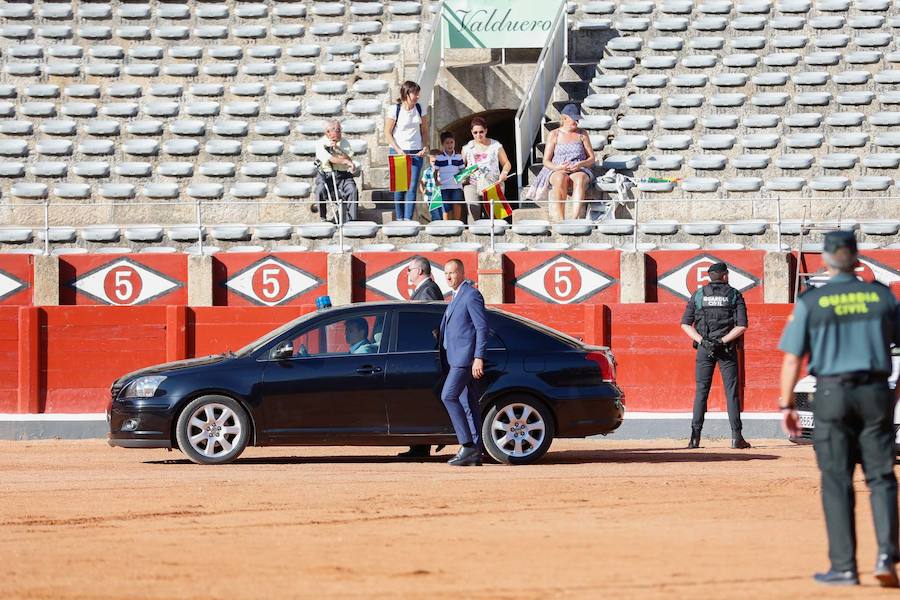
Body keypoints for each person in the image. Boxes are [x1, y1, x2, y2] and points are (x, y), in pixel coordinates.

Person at [780, 231, 900, 588]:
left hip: (832, 392)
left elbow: (792, 359)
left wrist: (786, 403)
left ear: (827, 258)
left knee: (836, 479)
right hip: (876, 391)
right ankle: (886, 557)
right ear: (857, 258)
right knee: (880, 477)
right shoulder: (882, 297)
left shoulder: (812, 301)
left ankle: (845, 566)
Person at [680, 262, 751, 450]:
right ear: (725, 276)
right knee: (731, 392)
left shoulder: (699, 295)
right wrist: (722, 341)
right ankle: (737, 438)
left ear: (709, 277)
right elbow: (742, 326)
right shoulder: (735, 295)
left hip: (705, 348)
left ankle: (694, 438)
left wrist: (703, 341)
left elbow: (685, 324)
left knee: (701, 392)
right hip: (726, 349)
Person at [439, 258, 488, 467]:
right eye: (446, 273)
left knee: (448, 395)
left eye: (452, 272)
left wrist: (478, 357)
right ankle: (476, 451)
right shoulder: (455, 296)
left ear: (461, 272)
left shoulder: (471, 294)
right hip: (456, 358)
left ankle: (467, 445)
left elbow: (481, 328)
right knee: (469, 404)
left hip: (465, 359)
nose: (448, 277)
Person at [397, 256, 445, 460]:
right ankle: (419, 446)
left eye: (409, 270)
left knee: (421, 399)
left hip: (426, 357)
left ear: (418, 271)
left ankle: (422, 446)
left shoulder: (428, 291)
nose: (407, 274)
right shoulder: (426, 290)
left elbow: (427, 328)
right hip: (425, 356)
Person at [527, 104, 596, 221]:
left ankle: (574, 219)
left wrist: (580, 164)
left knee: (580, 179)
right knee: (560, 179)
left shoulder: (582, 133)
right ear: (564, 118)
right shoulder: (554, 134)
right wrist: (559, 167)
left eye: (577, 118)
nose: (576, 121)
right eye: (574, 118)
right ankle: (561, 218)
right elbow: (546, 161)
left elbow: (592, 158)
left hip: (579, 167)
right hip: (557, 168)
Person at [384, 80, 429, 221]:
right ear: (406, 93)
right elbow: (387, 132)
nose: (417, 96)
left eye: (418, 93)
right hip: (399, 151)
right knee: (399, 186)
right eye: (414, 93)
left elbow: (425, 131)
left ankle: (408, 218)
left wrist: (425, 146)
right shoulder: (394, 109)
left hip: (416, 151)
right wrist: (397, 149)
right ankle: (399, 218)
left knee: (412, 185)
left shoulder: (420, 109)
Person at [460, 117, 512, 223]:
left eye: (481, 132)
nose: (478, 135)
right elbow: (460, 167)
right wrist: (464, 175)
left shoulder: (495, 145)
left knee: (494, 214)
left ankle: (495, 237)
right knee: (473, 212)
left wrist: (504, 173)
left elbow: (506, 163)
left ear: (486, 131)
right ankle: (474, 238)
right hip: (472, 183)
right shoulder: (466, 148)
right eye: (475, 132)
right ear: (471, 132)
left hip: (492, 183)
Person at [314, 119, 359, 223]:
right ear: (327, 132)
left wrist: (338, 150)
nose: (339, 132)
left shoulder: (344, 142)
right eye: (336, 130)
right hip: (326, 175)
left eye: (339, 130)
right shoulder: (320, 143)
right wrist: (345, 162)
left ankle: (352, 219)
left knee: (352, 190)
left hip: (343, 175)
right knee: (320, 190)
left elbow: (349, 158)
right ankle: (323, 217)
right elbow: (330, 159)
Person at [434, 131, 465, 221]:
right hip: (444, 186)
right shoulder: (439, 157)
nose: (450, 145)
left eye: (451, 142)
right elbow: (435, 171)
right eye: (447, 143)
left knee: (457, 204)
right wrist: (436, 180)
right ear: (442, 144)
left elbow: (462, 170)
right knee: (446, 207)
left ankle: (457, 224)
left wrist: (463, 177)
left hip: (456, 185)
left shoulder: (459, 156)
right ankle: (446, 225)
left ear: (454, 143)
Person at [420, 150, 444, 221]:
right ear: (429, 161)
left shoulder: (444, 171)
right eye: (433, 162)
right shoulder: (427, 172)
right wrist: (423, 190)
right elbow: (422, 182)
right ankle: (436, 230)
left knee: (443, 214)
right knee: (436, 216)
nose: (435, 163)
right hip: (431, 198)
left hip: (442, 197)